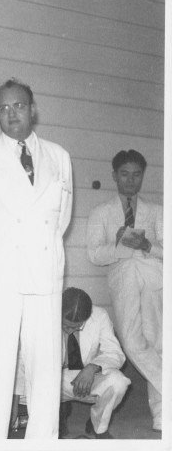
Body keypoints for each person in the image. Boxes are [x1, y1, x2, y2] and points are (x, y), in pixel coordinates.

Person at [0, 78, 73, 439]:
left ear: (32, 109)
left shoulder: (59, 156)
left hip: (43, 274)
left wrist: (37, 250)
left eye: (18, 105)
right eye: (2, 108)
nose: (11, 114)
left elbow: (60, 219)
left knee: (46, 372)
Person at [86, 149, 162, 432]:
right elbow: (94, 254)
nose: (131, 181)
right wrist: (119, 244)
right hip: (123, 280)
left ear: (142, 176)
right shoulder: (101, 213)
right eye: (125, 174)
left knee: (159, 343)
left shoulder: (157, 212)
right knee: (131, 342)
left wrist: (147, 246)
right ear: (114, 175)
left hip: (155, 279)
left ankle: (162, 415)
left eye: (137, 174)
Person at [12, 287, 130, 439]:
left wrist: (92, 368)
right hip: (49, 379)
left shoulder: (100, 316)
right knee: (21, 396)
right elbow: (23, 360)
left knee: (118, 382)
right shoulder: (41, 317)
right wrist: (13, 403)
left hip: (84, 376)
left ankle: (98, 425)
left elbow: (115, 353)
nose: (69, 330)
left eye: (76, 327)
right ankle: (58, 414)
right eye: (65, 326)